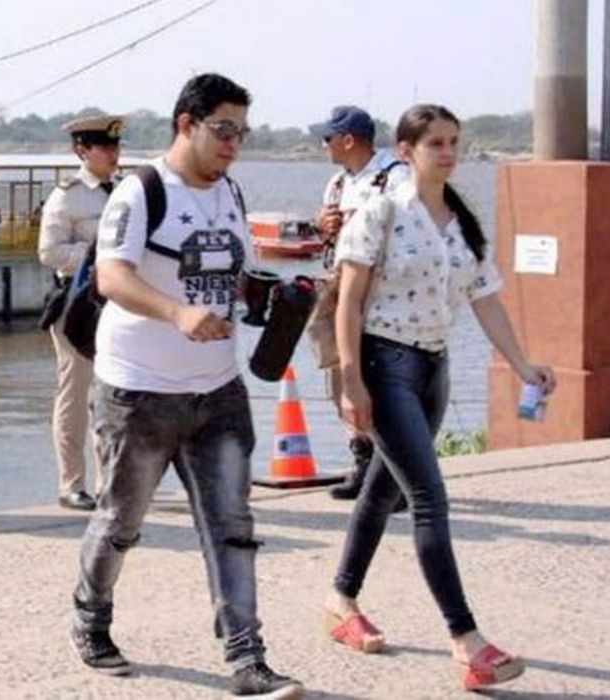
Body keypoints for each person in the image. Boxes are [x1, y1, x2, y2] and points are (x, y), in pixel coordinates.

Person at [70, 74, 305, 699]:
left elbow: (228, 273)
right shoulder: (140, 192)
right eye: (223, 130)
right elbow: (111, 276)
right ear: (186, 124)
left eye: (242, 133)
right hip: (139, 392)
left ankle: (247, 658)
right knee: (121, 521)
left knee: (232, 525)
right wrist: (176, 313)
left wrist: (272, 298)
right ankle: (90, 617)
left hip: (218, 391)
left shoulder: (230, 191)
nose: (234, 144)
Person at [324, 104, 554, 691]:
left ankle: (341, 601)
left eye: (454, 142)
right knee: (427, 496)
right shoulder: (379, 211)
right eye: (435, 144)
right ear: (406, 150)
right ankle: (467, 642)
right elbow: (348, 301)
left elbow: (485, 299)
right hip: (385, 362)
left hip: (434, 366)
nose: (448, 153)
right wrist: (350, 379)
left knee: (381, 491)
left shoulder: (461, 222)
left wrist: (524, 365)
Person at [308, 105, 410, 501]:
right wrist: (324, 227)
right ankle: (363, 460)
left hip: (379, 295)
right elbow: (328, 240)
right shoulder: (336, 183)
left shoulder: (395, 179)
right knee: (341, 377)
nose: (323, 146)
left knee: (381, 382)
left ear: (348, 140)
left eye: (327, 138)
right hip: (339, 290)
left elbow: (410, 232)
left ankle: (394, 474)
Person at [37, 114, 123, 511]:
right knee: (74, 393)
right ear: (82, 150)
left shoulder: (122, 191)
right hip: (77, 305)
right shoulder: (67, 195)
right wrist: (93, 258)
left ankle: (112, 480)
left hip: (116, 305)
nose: (113, 153)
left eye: (115, 146)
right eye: (105, 147)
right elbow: (49, 251)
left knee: (112, 393)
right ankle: (71, 482)